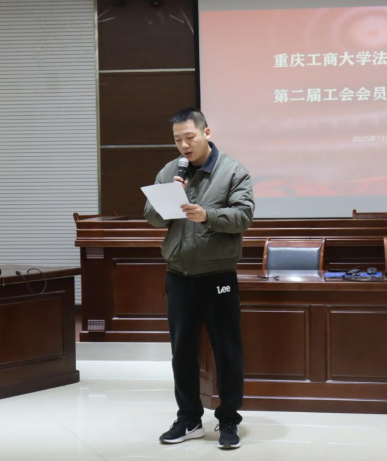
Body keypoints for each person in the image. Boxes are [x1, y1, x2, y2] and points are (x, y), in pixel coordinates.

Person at [144, 108, 254, 450]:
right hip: (179, 274)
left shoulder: (232, 170)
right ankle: (189, 418)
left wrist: (208, 215)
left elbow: (244, 216)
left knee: (227, 350)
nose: (184, 145)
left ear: (207, 132)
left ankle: (229, 419)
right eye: (177, 140)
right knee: (182, 352)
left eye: (189, 137)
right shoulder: (170, 171)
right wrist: (169, 194)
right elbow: (152, 218)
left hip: (218, 274)